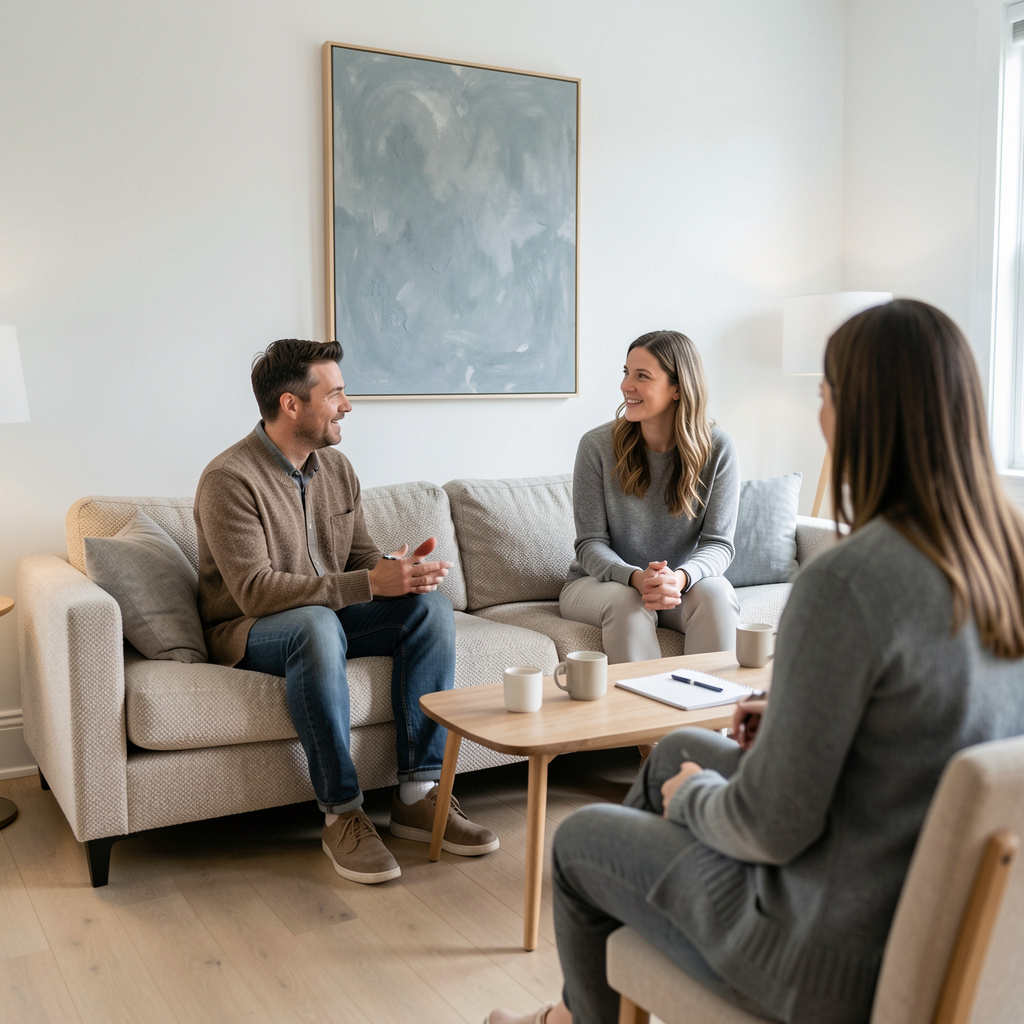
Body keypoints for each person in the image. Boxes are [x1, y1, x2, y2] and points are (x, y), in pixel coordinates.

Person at [488, 299, 1024, 1024]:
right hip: (912, 891)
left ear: (863, 416)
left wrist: (693, 799)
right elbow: (932, 722)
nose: (819, 414)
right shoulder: (1004, 557)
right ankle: (591, 1003)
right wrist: (790, 718)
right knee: (681, 742)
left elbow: (773, 826)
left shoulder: (845, 582)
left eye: (825, 394)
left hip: (822, 944)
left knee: (582, 840)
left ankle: (580, 1017)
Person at [194, 339, 498, 885]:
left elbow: (358, 555)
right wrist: (366, 581)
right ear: (292, 405)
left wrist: (396, 570)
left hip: (327, 620)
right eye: (335, 394)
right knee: (315, 623)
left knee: (427, 606)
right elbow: (255, 593)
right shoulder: (229, 480)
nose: (348, 405)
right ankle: (342, 813)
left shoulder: (335, 468)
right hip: (249, 630)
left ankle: (418, 796)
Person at [559, 330, 740, 664]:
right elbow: (589, 544)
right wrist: (635, 577)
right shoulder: (596, 446)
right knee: (629, 602)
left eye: (642, 376)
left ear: (677, 388)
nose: (627, 385)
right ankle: (642, 714)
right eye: (626, 373)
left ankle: (711, 713)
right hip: (600, 584)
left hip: (676, 586)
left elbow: (719, 544)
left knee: (717, 594)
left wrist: (681, 578)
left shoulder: (718, 449)